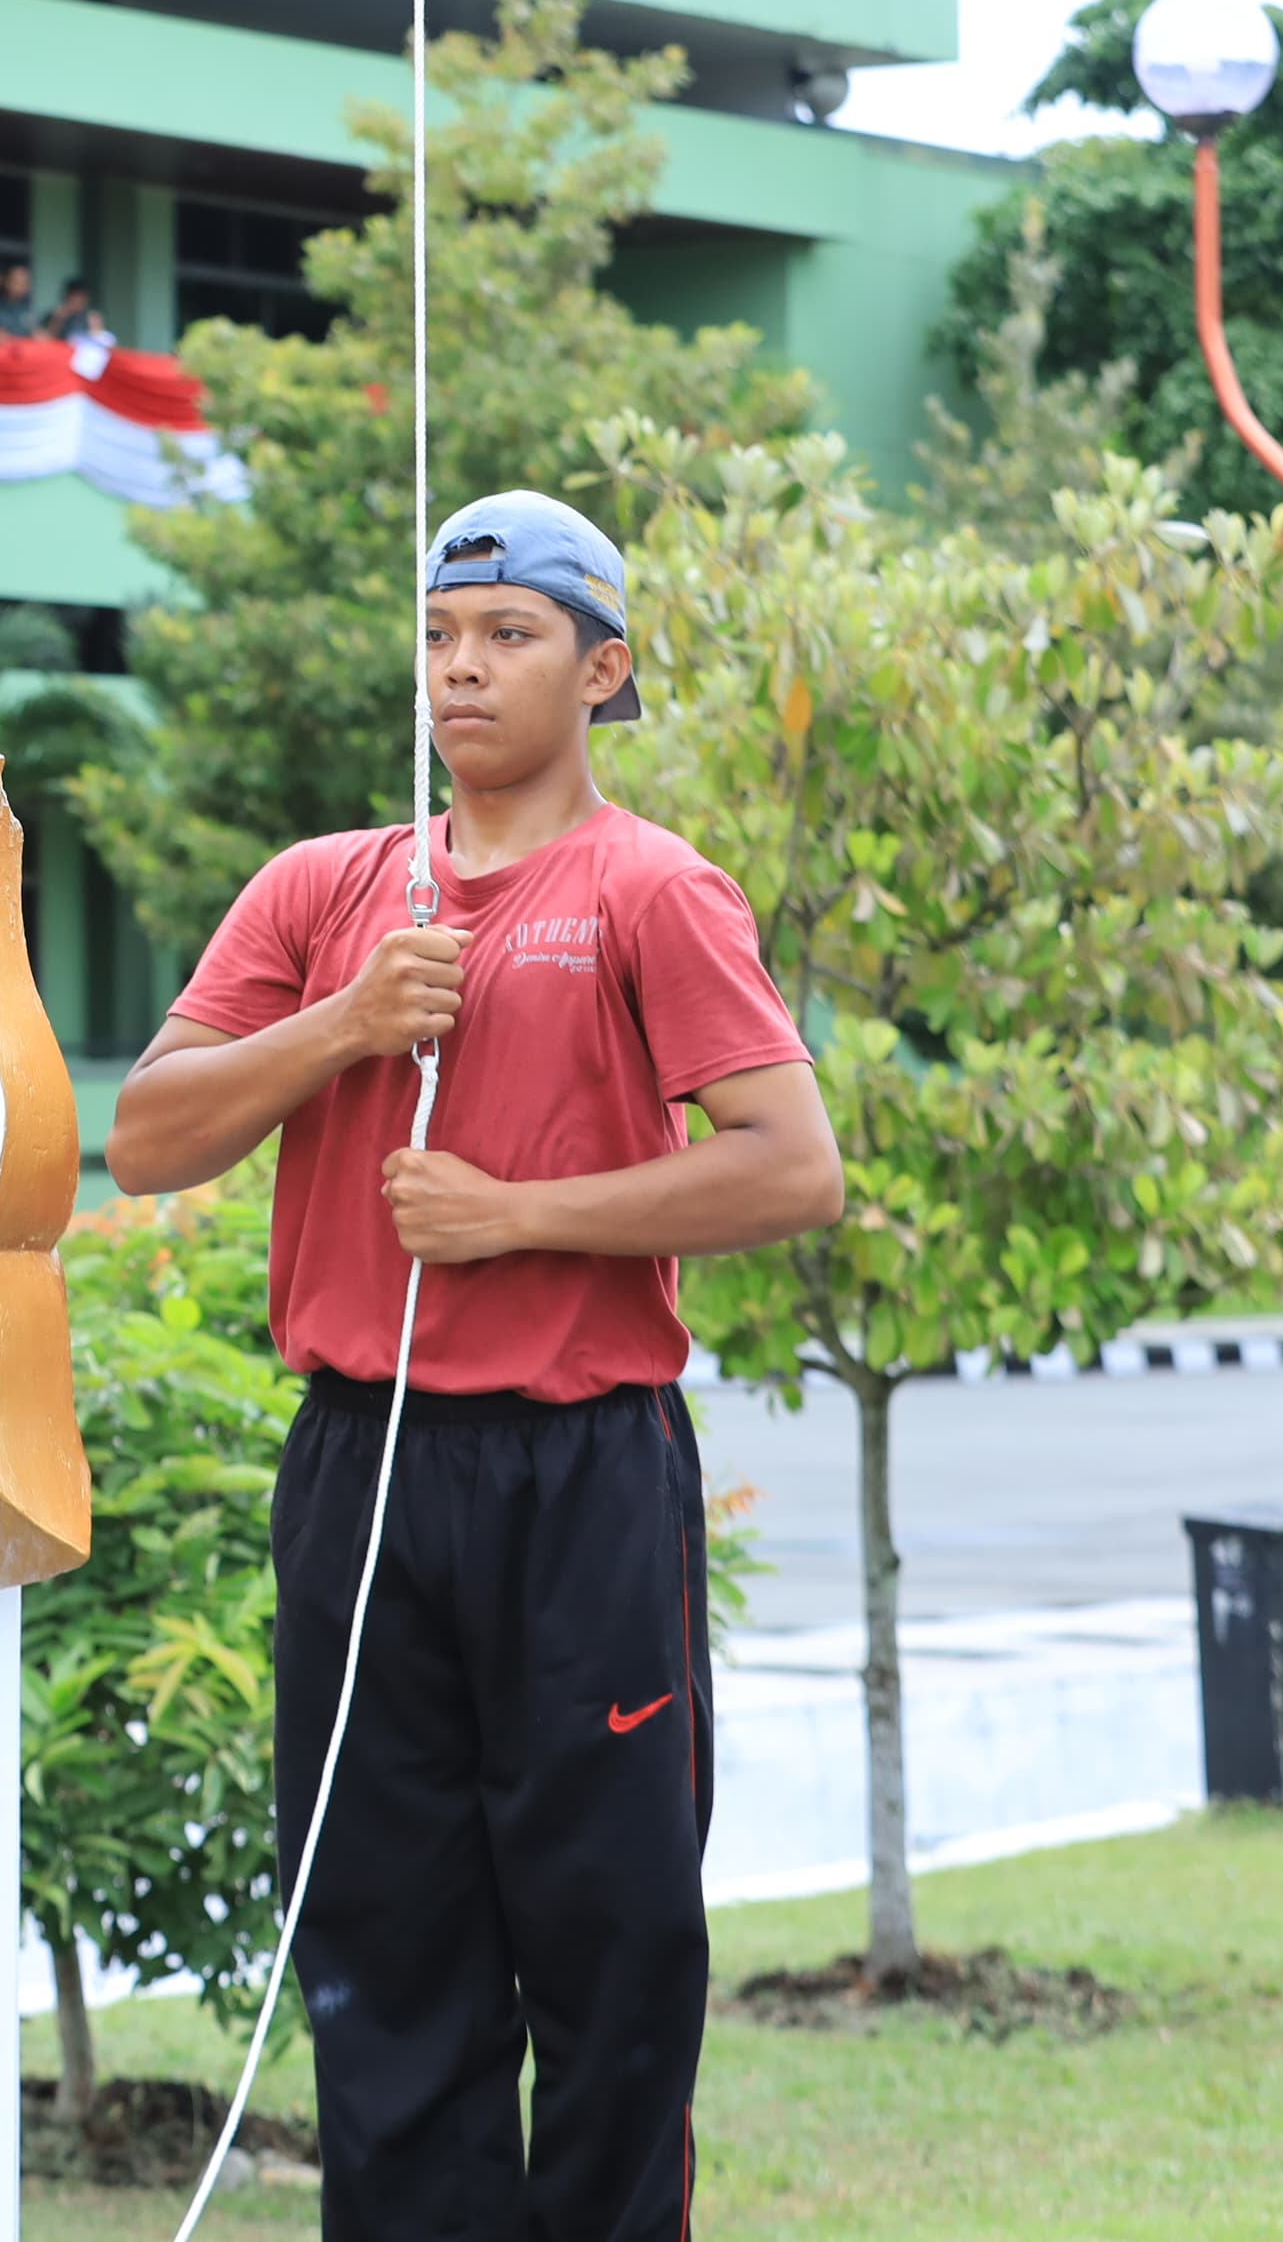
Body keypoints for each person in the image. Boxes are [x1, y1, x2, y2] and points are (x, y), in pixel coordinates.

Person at [104, 492, 847, 2239]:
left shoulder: (652, 887)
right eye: (442, 636)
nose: (463, 667)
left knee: (611, 1956)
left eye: (510, 635)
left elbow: (790, 1161)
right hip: (362, 1472)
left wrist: (520, 1219)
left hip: (582, 1476)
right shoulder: (324, 890)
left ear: (604, 668)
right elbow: (145, 1135)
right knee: (383, 1944)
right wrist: (347, 1020)